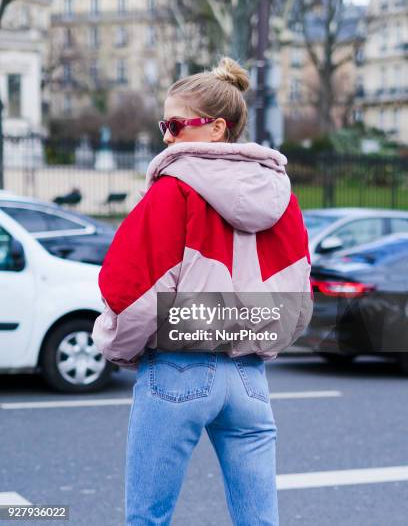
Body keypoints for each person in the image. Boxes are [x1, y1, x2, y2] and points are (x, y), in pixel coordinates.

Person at [92, 57, 313, 526]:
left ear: (216, 128)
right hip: (250, 377)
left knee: (147, 519)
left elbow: (128, 291)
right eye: (163, 124)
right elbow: (298, 300)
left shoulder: (174, 190)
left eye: (175, 125)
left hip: (178, 365)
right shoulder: (282, 197)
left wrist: (118, 348)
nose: (166, 136)